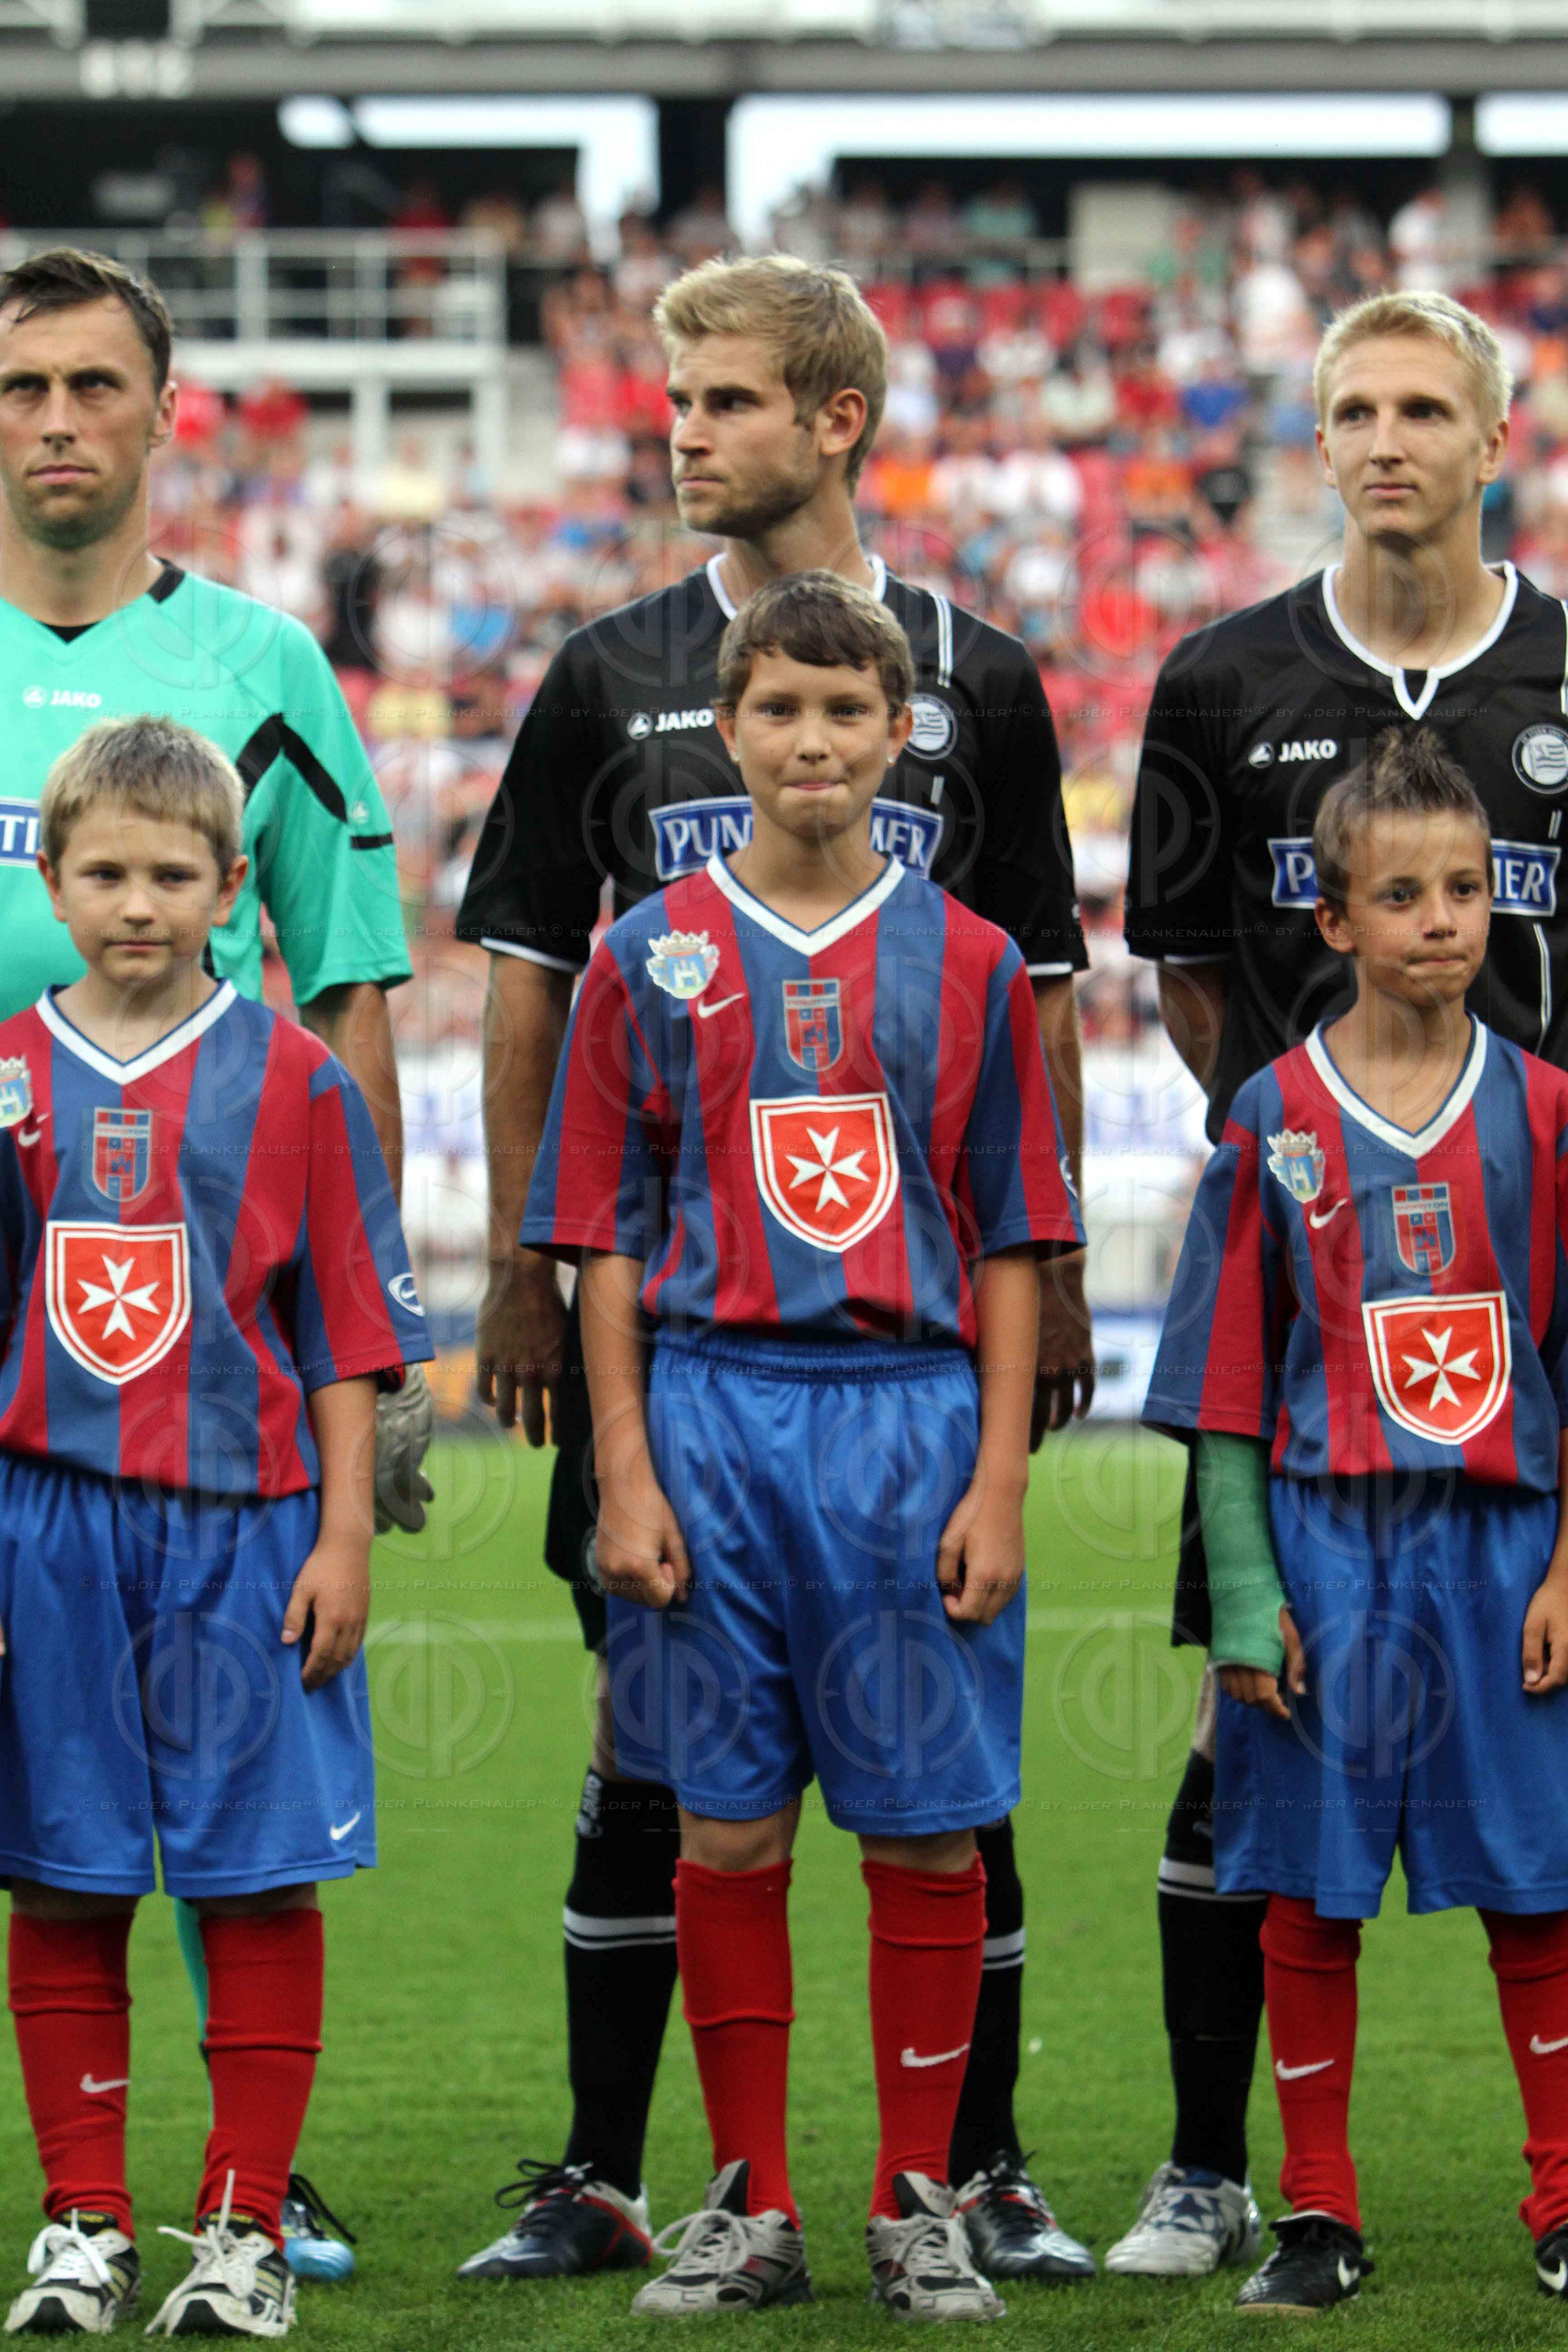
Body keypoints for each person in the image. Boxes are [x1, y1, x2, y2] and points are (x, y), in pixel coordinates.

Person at [456, 253, 1095, 2284]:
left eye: (723, 398)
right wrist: (525, 1277)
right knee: (658, 1755)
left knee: (933, 1784)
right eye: (675, 397)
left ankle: (960, 2176)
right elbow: (535, 989)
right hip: (684, 1361)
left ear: (833, 417)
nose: (682, 430)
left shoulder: (981, 675)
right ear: (728, 724)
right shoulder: (602, 670)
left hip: (908, 1378)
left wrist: (1055, 1282)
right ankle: (624, 2170)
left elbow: (1033, 1012)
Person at [1114, 285, 1568, 2278]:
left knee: (1542, 1822)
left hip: (1524, 1339)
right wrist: (1296, 1157)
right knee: (1257, 1768)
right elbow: (1189, 973)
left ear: (1495, 436)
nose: (1389, 442)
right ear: (1316, 442)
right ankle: (1238, 2176)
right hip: (1311, 1340)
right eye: (1353, 411)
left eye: (1425, 410)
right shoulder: (1220, 681)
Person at [0, 245, 433, 2278]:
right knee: (49, 1829)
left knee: (234, 1810)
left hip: (223, 1380)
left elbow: (348, 1002)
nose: (57, 420)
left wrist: (393, 1340)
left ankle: (246, 2189)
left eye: (95, 383)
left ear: (166, 411)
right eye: (23, 387)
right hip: (23, 1391)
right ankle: (87, 2202)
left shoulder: (265, 668)